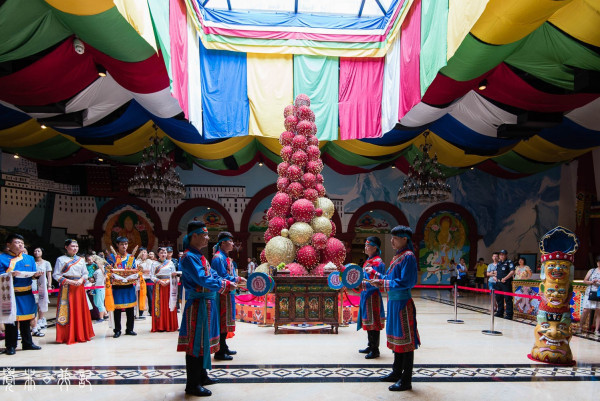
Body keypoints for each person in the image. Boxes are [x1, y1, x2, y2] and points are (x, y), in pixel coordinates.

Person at [177, 221, 237, 397]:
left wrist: (229, 281)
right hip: (198, 305)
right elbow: (203, 279)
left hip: (207, 303)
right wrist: (225, 283)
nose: (207, 238)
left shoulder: (200, 256)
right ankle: (192, 384)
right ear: (193, 236)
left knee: (203, 342)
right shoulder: (189, 257)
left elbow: (213, 275)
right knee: (195, 344)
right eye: (204, 234)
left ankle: (202, 376)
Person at [373, 226, 420, 392]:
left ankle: (406, 380)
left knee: (406, 342)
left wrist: (384, 283)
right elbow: (390, 278)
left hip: (402, 304)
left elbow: (407, 282)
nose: (391, 240)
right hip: (393, 302)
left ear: (405, 239)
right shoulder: (397, 257)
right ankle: (395, 372)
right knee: (396, 339)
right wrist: (378, 277)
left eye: (395, 238)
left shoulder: (408, 257)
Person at [0, 234, 43, 355]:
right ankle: (11, 345)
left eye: (22, 243)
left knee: (27, 319)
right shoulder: (2, 258)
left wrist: (37, 274)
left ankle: (28, 343)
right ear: (8, 245)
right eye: (17, 242)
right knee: (11, 321)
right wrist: (10, 275)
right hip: (11, 294)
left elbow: (33, 274)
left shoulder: (29, 258)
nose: (20, 245)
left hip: (27, 292)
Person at [211, 231, 246, 360]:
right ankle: (219, 351)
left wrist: (236, 279)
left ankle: (224, 346)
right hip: (221, 294)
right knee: (222, 321)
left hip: (228, 293)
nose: (232, 244)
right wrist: (237, 279)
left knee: (226, 321)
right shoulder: (218, 258)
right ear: (223, 243)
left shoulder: (225, 257)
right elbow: (221, 276)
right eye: (230, 241)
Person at [53, 239, 95, 344]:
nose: (75, 248)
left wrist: (81, 280)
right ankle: (66, 335)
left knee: (79, 310)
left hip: (79, 287)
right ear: (66, 247)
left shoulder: (81, 260)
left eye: (76, 246)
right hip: (66, 288)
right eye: (72, 246)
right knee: (68, 310)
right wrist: (69, 281)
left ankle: (81, 334)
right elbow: (56, 275)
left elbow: (85, 273)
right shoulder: (60, 259)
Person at [106, 237, 142, 338]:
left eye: (126, 244)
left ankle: (129, 329)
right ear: (117, 245)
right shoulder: (111, 257)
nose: (124, 246)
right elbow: (108, 270)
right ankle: (117, 330)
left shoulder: (131, 257)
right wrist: (113, 275)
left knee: (130, 309)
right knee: (117, 309)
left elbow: (135, 269)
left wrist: (135, 274)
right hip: (117, 286)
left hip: (129, 286)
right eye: (122, 244)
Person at [357, 236, 386, 359]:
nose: (366, 247)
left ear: (375, 247)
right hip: (366, 295)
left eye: (368, 245)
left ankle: (375, 349)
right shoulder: (368, 261)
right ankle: (370, 345)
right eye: (365, 245)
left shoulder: (378, 263)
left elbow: (378, 281)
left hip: (373, 295)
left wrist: (363, 284)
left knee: (374, 322)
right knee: (368, 321)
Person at [151, 247, 179, 332]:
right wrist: (159, 281)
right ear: (158, 254)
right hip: (159, 286)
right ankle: (160, 326)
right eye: (161, 253)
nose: (163, 254)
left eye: (165, 253)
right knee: (159, 305)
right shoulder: (154, 264)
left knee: (169, 304)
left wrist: (169, 281)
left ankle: (170, 325)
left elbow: (174, 274)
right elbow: (151, 276)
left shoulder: (171, 263)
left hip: (169, 286)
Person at [32, 247, 52, 335]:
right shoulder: (32, 262)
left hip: (43, 284)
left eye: (38, 251)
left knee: (42, 301)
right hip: (33, 284)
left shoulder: (46, 263)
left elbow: (49, 275)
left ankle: (41, 319)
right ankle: (35, 320)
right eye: (35, 251)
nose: (36, 252)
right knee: (34, 302)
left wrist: (49, 285)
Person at [581, 256, 600, 336]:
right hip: (590, 292)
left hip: (599, 293)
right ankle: (580, 327)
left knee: (598, 311)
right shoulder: (592, 271)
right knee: (585, 310)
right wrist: (591, 282)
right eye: (598, 262)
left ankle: (596, 330)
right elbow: (585, 281)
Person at [494, 250, 515, 320]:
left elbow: (512, 272)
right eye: (500, 255)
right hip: (498, 283)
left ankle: (509, 314)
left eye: (503, 255)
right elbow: (497, 272)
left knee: (508, 299)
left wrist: (505, 278)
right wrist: (495, 277)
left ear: (506, 255)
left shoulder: (509, 262)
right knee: (499, 298)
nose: (501, 256)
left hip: (506, 283)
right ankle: (500, 312)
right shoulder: (499, 263)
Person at [136, 247, 154, 318]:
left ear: (147, 254)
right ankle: (140, 312)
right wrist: (143, 271)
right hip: (141, 280)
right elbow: (137, 270)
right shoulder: (137, 261)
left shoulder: (150, 261)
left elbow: (150, 270)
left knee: (150, 296)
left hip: (149, 280)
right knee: (141, 296)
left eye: (145, 252)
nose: (143, 254)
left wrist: (142, 271)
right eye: (142, 252)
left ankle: (151, 311)